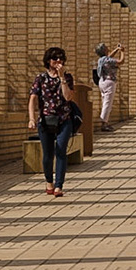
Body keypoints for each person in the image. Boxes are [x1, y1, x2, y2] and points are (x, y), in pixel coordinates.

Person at [29, 48, 79, 197]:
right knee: (48, 155)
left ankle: (59, 186)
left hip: (64, 119)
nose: (58, 62)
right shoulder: (41, 78)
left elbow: (68, 97)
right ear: (48, 61)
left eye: (60, 59)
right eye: (55, 59)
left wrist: (62, 77)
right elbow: (32, 98)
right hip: (45, 120)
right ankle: (49, 181)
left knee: (61, 151)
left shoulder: (67, 77)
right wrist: (32, 118)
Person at [94, 42, 122, 131]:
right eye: (106, 47)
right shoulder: (107, 60)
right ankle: (104, 124)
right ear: (104, 50)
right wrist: (122, 52)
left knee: (105, 102)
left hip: (102, 81)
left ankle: (105, 122)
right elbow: (121, 61)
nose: (108, 47)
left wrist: (117, 49)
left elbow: (109, 56)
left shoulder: (101, 60)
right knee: (107, 104)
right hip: (109, 82)